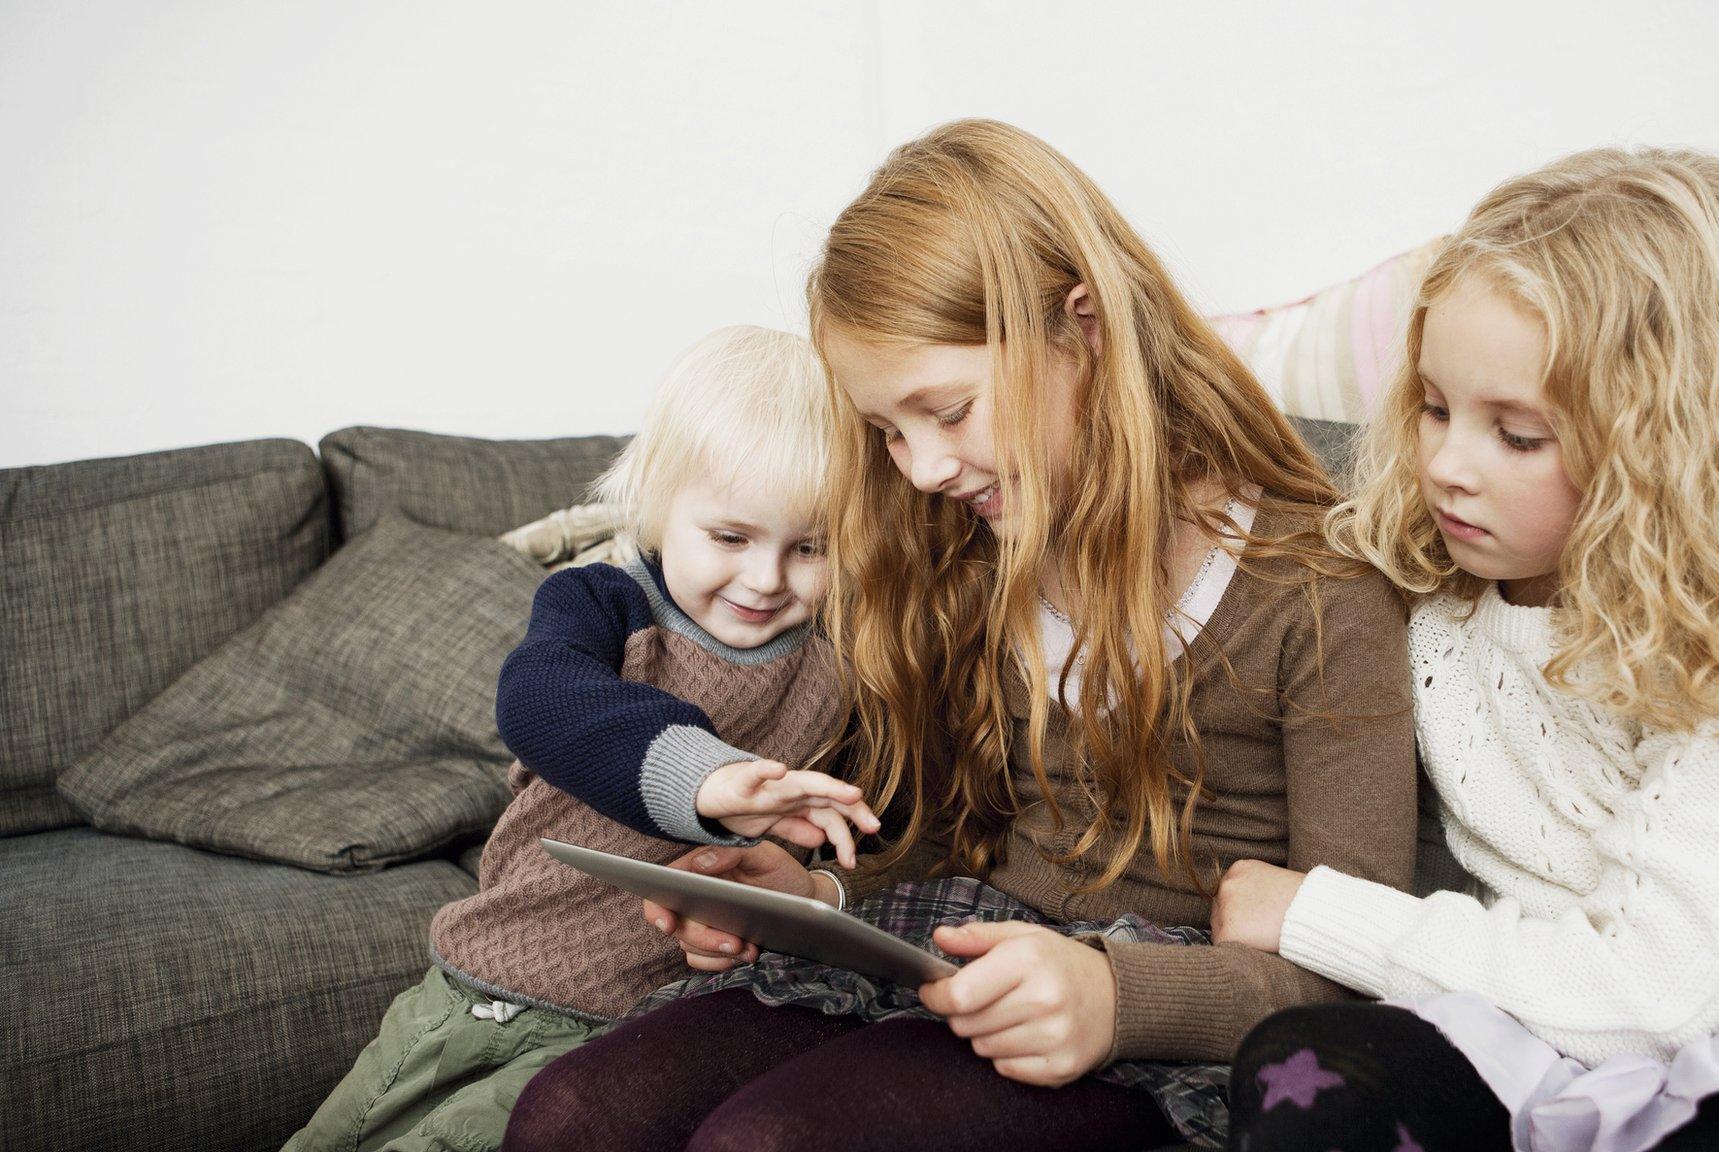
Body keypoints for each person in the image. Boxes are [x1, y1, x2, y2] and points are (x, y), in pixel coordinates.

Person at [501, 119, 1419, 1152]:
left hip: (1151, 1008)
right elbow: (953, 832)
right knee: (571, 1113)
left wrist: (1121, 997)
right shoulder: (967, 551)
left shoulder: (1315, 588)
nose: (923, 468)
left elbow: (1363, 955)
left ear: (1082, 328)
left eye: (946, 410)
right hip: (949, 943)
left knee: (769, 1143)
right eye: (889, 432)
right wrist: (815, 891)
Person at [1211, 146, 1719, 1152]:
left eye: (1516, 436)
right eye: (1432, 407)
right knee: (1303, 1071)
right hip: (1548, 997)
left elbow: (1654, 997)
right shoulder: (1423, 585)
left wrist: (1319, 916)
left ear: (1661, 453)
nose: (1442, 465)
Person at [283, 325, 877, 1152]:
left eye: (809, 548)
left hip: (621, 1032)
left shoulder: (840, 670)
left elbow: (845, 845)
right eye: (731, 537)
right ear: (660, 507)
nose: (766, 578)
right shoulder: (600, 601)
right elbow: (542, 701)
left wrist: (797, 880)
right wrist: (706, 782)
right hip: (479, 976)